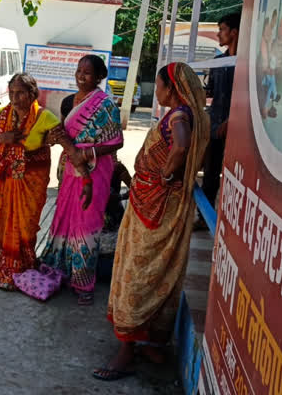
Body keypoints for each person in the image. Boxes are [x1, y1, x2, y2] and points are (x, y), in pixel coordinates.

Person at [93, 62, 209, 381]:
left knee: (138, 274)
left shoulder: (180, 116)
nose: (156, 92)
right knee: (158, 274)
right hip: (155, 203)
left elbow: (182, 145)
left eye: (158, 86)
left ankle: (127, 353)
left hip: (157, 207)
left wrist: (165, 174)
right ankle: (151, 342)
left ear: (171, 88)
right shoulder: (189, 114)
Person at [39, 55, 124, 306]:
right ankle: (63, 271)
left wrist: (86, 153)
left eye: (87, 72)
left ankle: (84, 284)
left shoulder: (106, 104)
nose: (81, 76)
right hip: (69, 170)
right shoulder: (70, 101)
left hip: (96, 170)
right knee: (65, 218)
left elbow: (117, 141)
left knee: (86, 225)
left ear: (99, 77)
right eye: (78, 71)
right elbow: (66, 135)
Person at [0, 73, 61, 290]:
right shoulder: (0, 115)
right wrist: (0, 139)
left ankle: (19, 266)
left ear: (32, 94)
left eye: (20, 93)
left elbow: (61, 137)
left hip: (31, 182)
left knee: (25, 225)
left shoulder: (45, 117)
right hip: (5, 179)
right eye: (12, 92)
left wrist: (50, 139)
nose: (15, 97)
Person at [201, 12, 239, 208]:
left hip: (238, 130)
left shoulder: (247, 62)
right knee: (210, 173)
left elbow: (247, 99)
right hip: (215, 126)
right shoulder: (218, 61)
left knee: (235, 175)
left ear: (234, 32)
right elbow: (210, 91)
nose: (218, 35)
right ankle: (204, 216)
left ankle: (230, 215)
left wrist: (232, 120)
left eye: (222, 30)